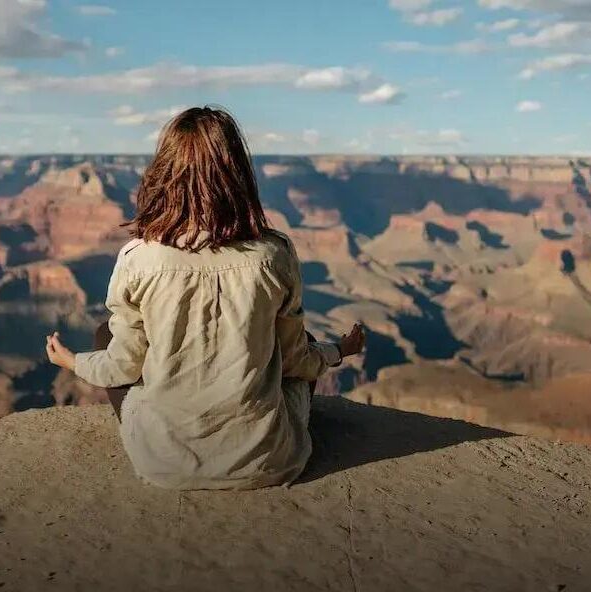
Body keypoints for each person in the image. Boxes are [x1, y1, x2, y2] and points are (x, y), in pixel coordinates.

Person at [45, 106, 365, 490]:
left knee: (104, 336)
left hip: (163, 465)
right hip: (270, 463)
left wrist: (72, 362)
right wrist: (338, 351)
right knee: (305, 341)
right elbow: (297, 360)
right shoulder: (273, 253)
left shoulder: (138, 257)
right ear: (237, 174)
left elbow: (123, 368)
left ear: (164, 173)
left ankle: (169, 439)